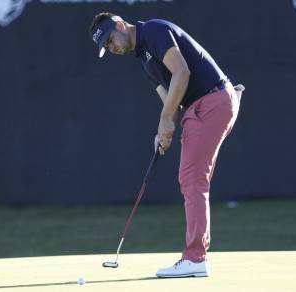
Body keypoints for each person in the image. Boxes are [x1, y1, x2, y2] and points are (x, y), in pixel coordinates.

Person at [89, 12, 244, 278]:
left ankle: (195, 258)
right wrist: (164, 131)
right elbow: (170, 103)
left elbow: (181, 72)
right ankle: (196, 257)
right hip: (203, 107)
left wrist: (166, 120)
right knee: (193, 178)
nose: (112, 48)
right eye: (107, 47)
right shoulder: (143, 60)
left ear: (119, 24)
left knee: (192, 178)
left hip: (212, 101)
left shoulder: (154, 31)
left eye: (110, 40)